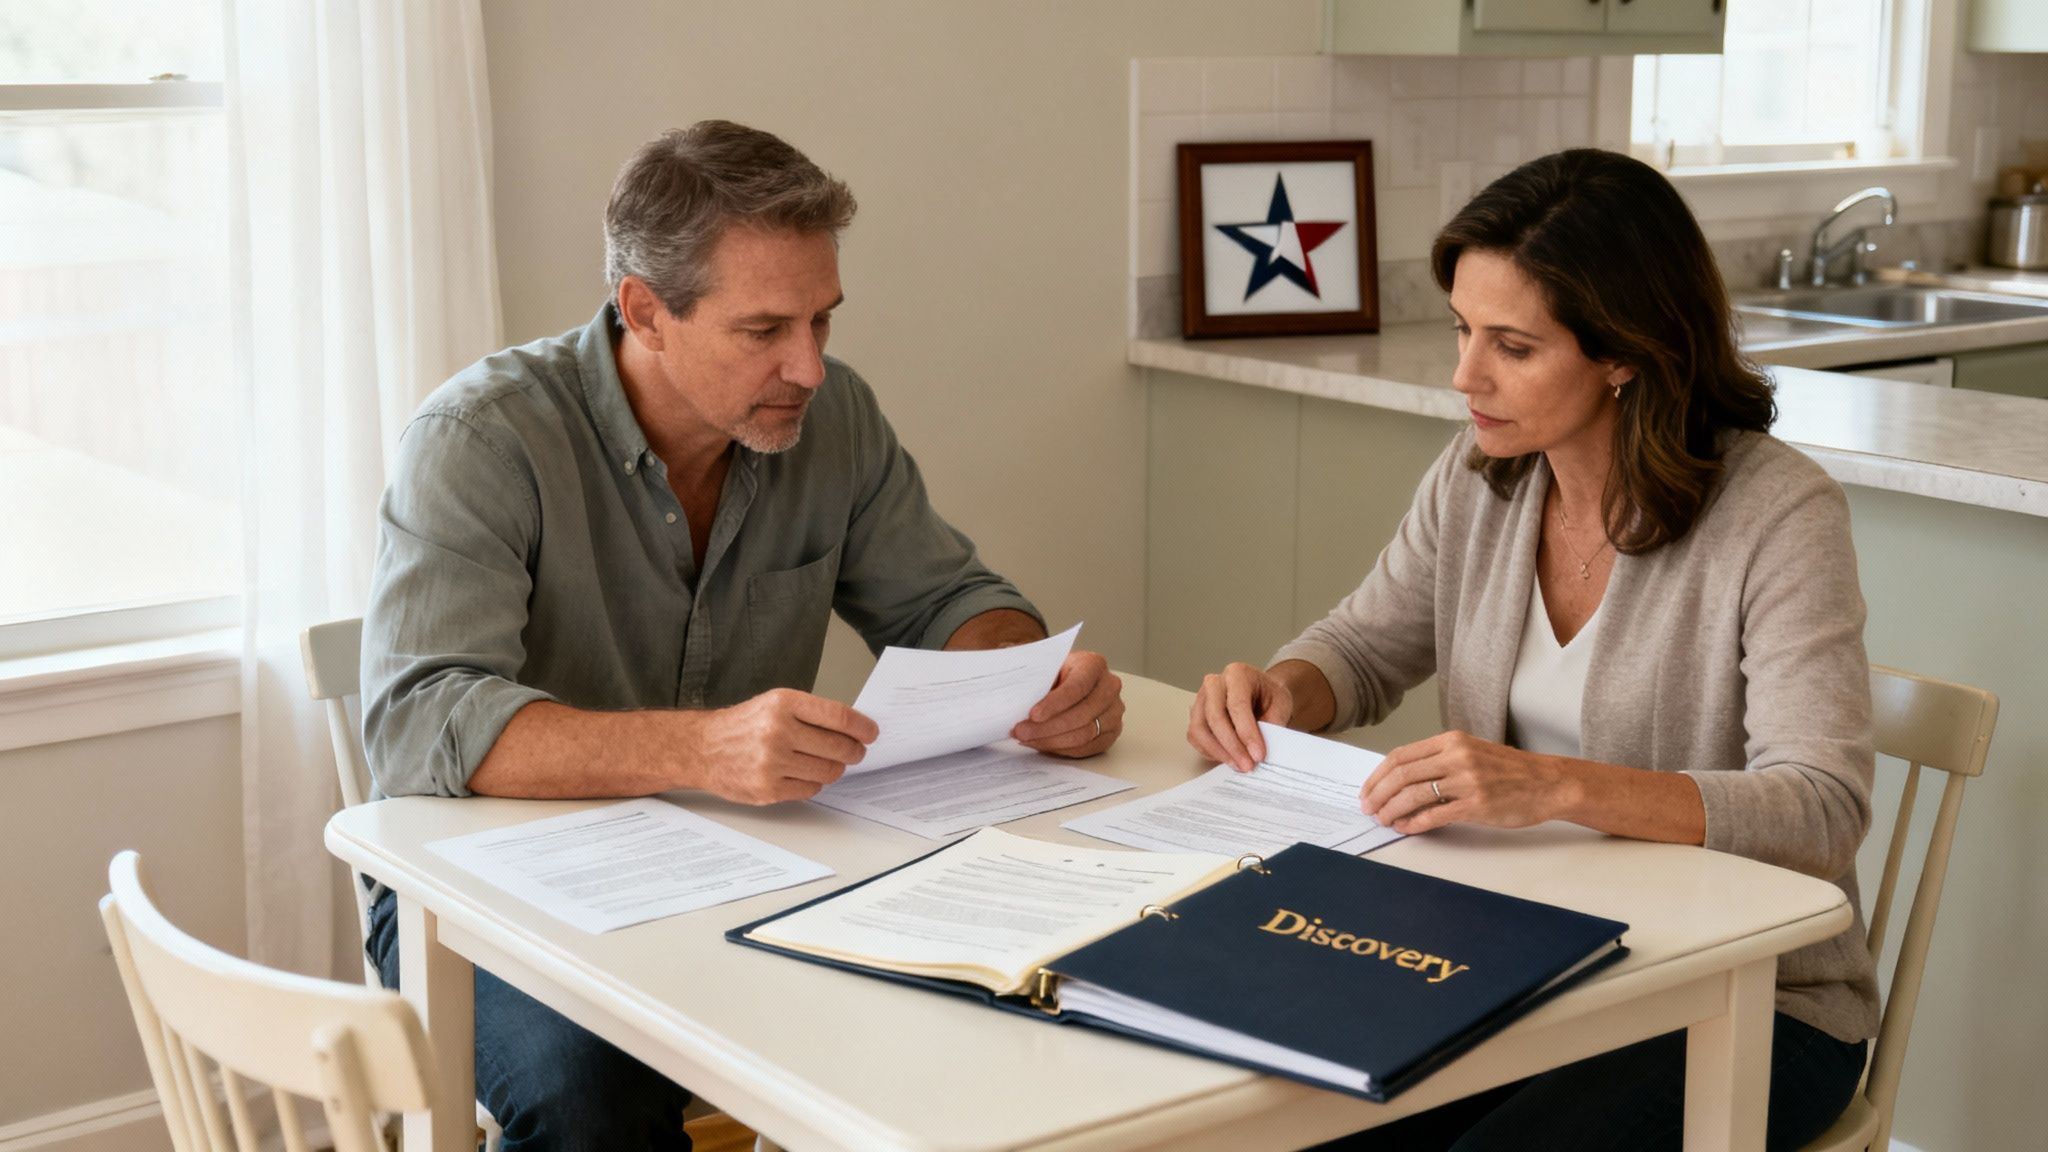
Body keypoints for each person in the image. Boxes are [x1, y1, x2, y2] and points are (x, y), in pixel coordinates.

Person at [358, 120, 1124, 1151]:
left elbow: (947, 598)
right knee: (589, 1096)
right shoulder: (481, 439)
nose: (807, 367)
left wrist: (1023, 678)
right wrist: (700, 747)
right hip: (477, 893)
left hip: (746, 863)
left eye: (822, 321)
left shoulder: (832, 419)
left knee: (997, 1002)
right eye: (764, 331)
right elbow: (418, 722)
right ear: (645, 311)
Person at [1186, 149, 1876, 1151]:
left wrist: (1552, 785)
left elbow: (1820, 806)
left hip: (1744, 997)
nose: (1465, 376)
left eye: (1510, 345)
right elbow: (1363, 645)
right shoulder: (1482, 473)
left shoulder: (1775, 513)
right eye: (1463, 333)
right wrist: (1283, 689)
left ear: (1624, 352)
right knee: (1284, 1118)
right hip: (1511, 954)